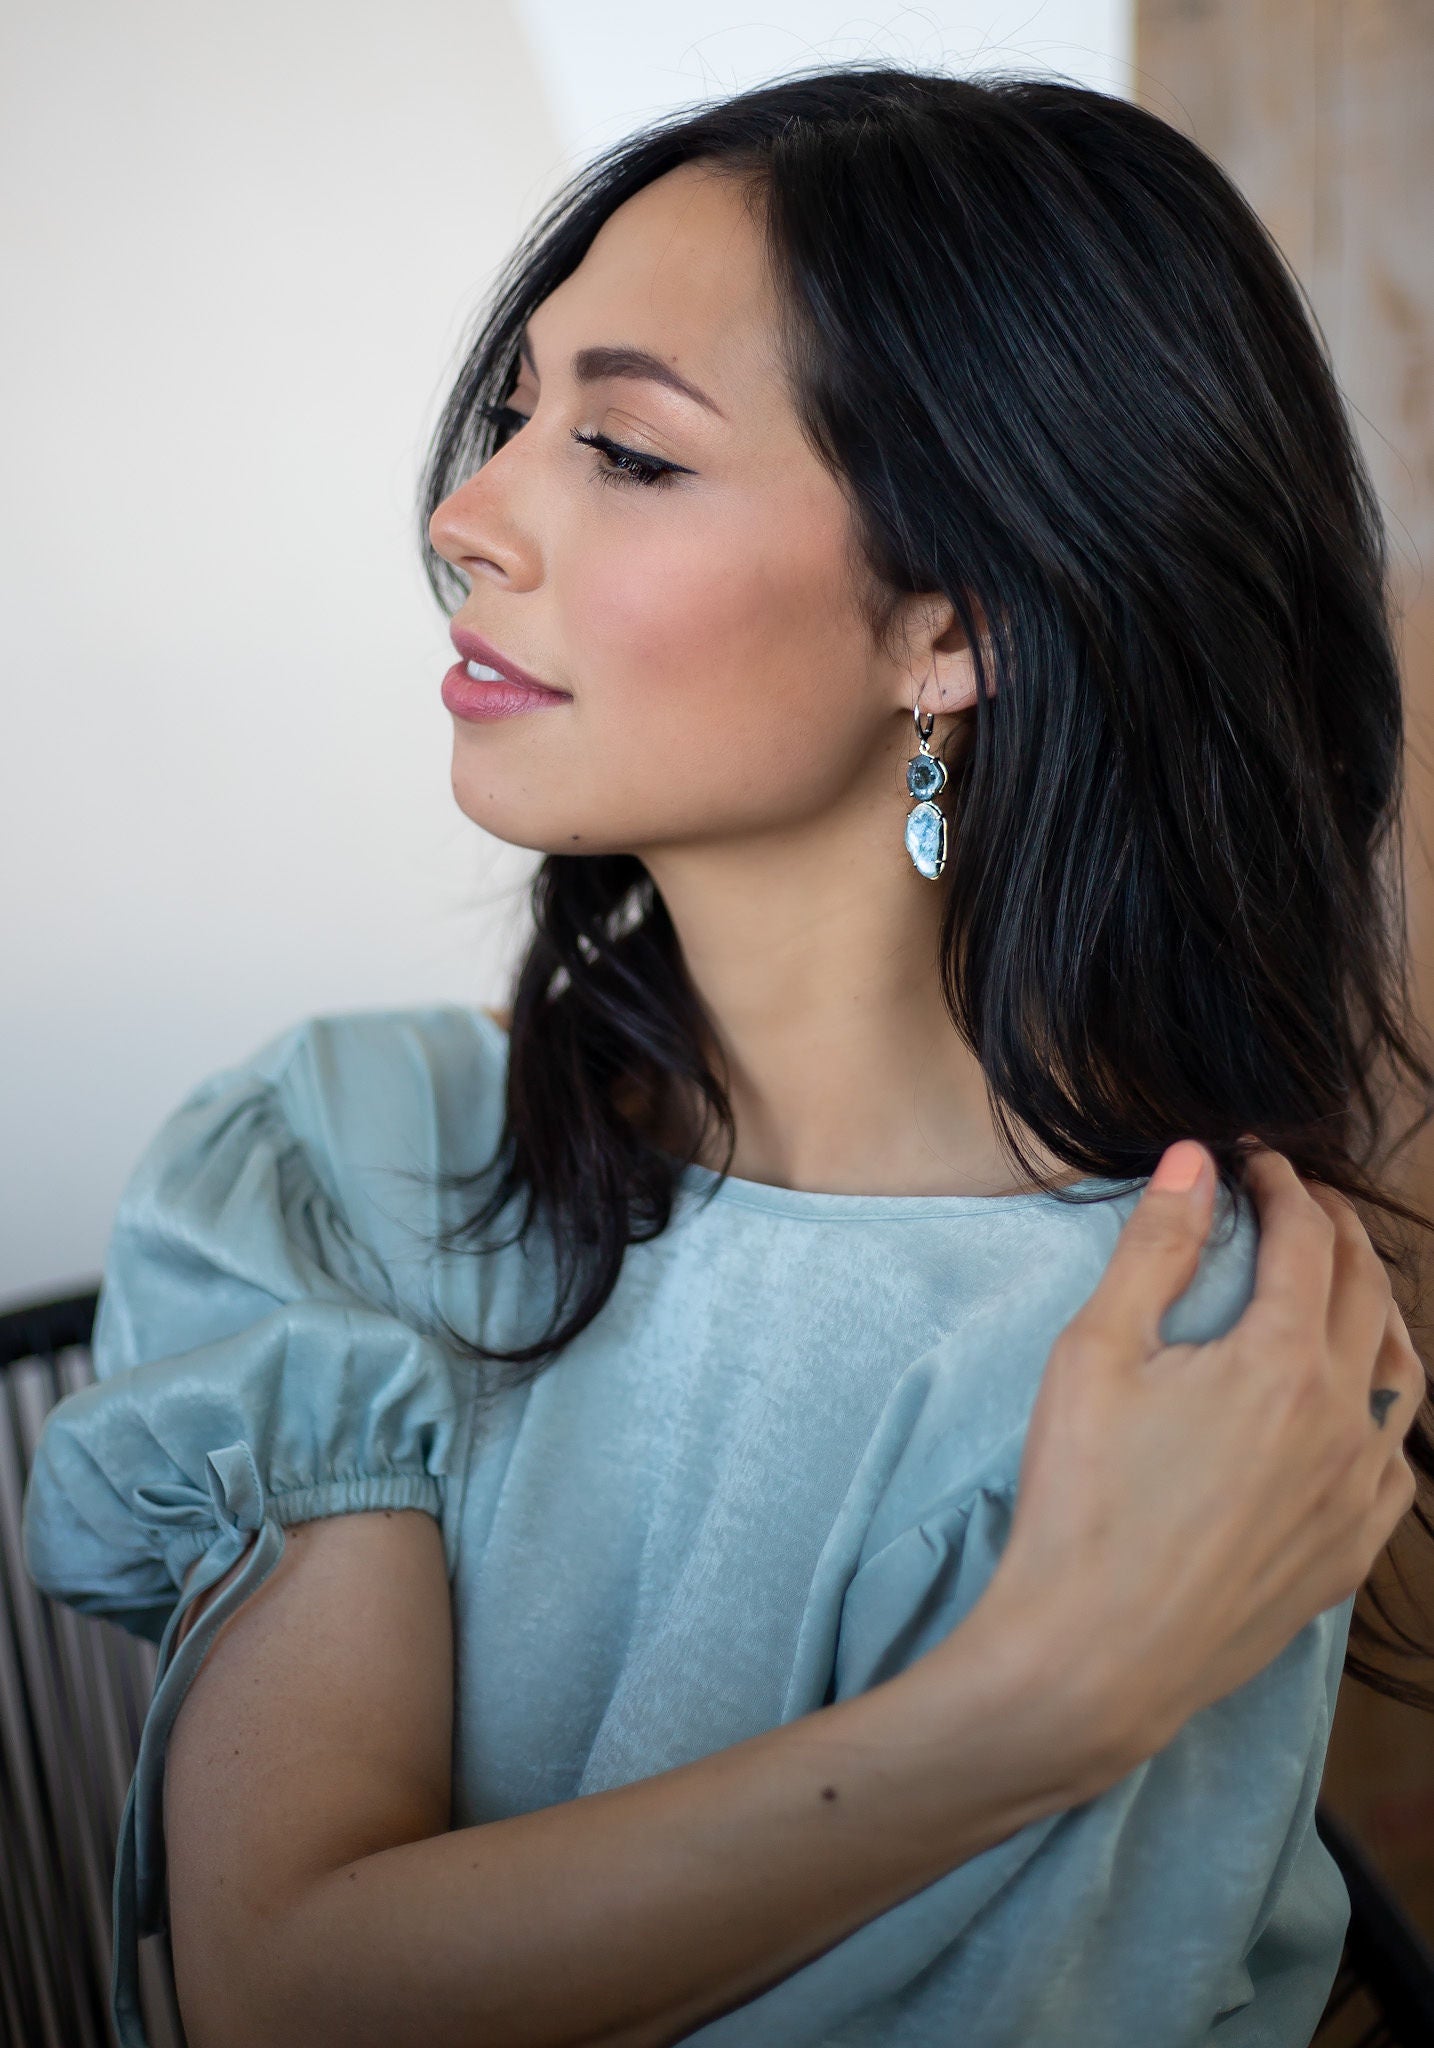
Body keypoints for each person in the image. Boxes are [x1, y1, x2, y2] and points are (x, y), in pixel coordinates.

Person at [20, 62, 1431, 2048]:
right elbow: (286, 1986)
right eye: (515, 416)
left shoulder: (1185, 1345)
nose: (467, 513)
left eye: (627, 448)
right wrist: (1034, 1702)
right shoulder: (347, 1160)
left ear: (954, 626)